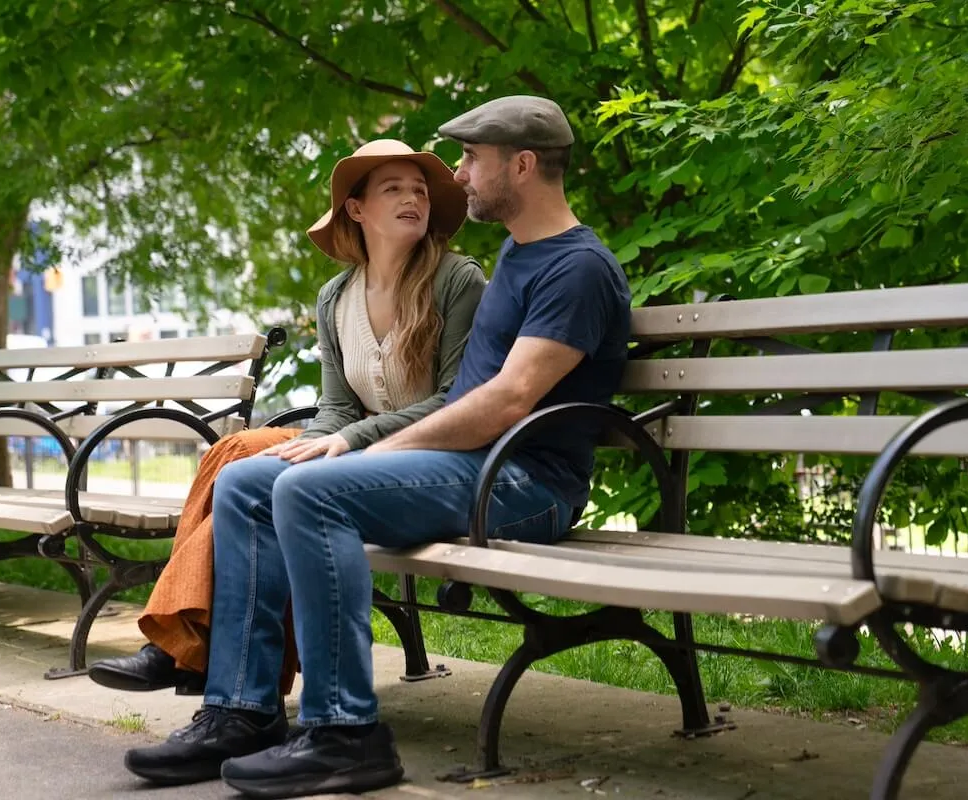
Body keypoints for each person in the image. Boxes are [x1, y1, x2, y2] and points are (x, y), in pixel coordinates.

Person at [123, 96, 632, 799]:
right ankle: (241, 708)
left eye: (471, 160)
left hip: (524, 485)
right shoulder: (521, 253)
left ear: (520, 165)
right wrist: (355, 445)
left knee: (306, 489)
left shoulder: (576, 268)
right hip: (473, 468)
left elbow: (508, 401)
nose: (457, 176)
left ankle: (346, 733)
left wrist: (367, 452)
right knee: (247, 482)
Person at [88, 139, 486, 697]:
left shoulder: (456, 280)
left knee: (263, 475)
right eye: (393, 188)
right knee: (235, 452)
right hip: (353, 441)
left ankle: (179, 650)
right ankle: (184, 646)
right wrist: (316, 442)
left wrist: (343, 442)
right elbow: (337, 406)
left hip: (418, 454)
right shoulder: (335, 297)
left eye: (420, 190)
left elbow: (455, 400)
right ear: (356, 208)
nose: (412, 198)